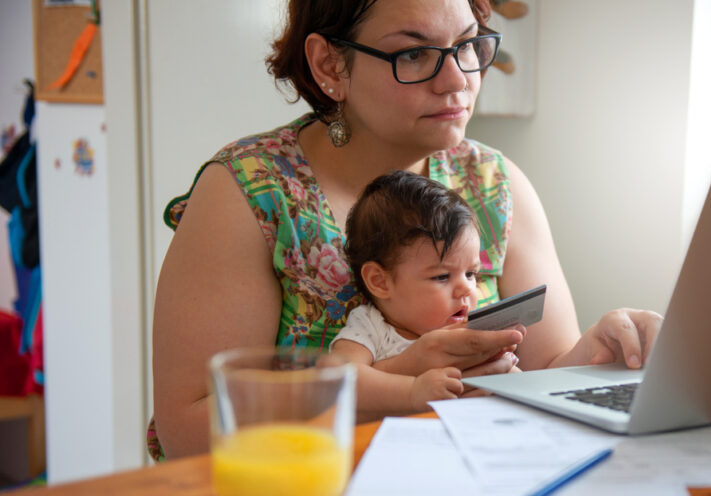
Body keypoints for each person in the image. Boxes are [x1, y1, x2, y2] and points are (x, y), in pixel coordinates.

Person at [150, 0, 663, 460]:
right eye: (415, 55)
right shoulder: (251, 193)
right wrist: (405, 377)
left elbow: (542, 371)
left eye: (466, 44)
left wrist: (598, 350)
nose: (457, 78)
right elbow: (190, 430)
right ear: (330, 64)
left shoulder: (494, 185)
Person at [332, 169, 513, 413]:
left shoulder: (473, 329)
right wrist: (412, 392)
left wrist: (509, 373)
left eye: (471, 274)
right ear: (380, 281)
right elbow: (339, 380)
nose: (466, 288)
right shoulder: (371, 326)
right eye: (441, 276)